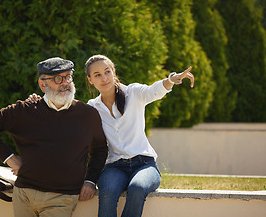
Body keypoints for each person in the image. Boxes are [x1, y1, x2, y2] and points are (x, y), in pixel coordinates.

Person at [28, 54, 194, 217]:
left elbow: (154, 91)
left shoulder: (133, 93)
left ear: (114, 72)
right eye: (97, 75)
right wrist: (39, 103)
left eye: (107, 72)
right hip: (114, 166)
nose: (104, 78)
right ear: (90, 80)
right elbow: (65, 121)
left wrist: (171, 79)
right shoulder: (92, 108)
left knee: (137, 188)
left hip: (144, 164)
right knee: (107, 192)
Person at [0, 57, 108, 217]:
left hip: (62, 197)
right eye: (58, 78)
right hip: (24, 194)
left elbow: (99, 149)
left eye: (68, 77)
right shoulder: (25, 110)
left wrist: (90, 180)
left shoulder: (88, 114)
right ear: (43, 85)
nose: (65, 82)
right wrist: (9, 158)